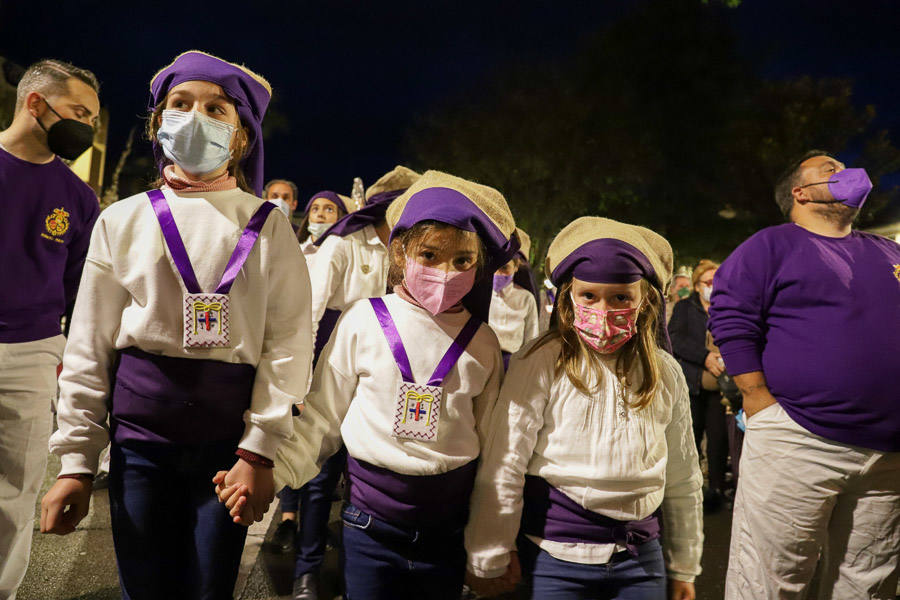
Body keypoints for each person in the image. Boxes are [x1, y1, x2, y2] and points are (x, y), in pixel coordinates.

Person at [39, 51, 317, 600]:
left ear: (240, 136)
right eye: (179, 104)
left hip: (227, 448)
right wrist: (76, 459)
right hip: (141, 443)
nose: (195, 118)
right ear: (158, 122)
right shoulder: (123, 219)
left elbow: (286, 344)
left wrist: (259, 450)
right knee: (144, 582)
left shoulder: (269, 228)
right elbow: (90, 344)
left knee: (210, 585)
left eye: (217, 109)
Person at [268, 170, 519, 600]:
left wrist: (489, 542)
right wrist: (271, 473)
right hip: (369, 526)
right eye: (430, 255)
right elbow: (322, 418)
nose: (445, 272)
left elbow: (493, 445)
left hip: (446, 529)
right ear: (400, 252)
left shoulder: (483, 342)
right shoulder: (363, 320)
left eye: (462, 261)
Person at [465, 216, 703, 600]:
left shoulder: (665, 371)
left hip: (641, 560)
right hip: (555, 558)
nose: (603, 310)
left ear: (644, 303)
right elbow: (504, 462)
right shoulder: (540, 361)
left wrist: (683, 565)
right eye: (589, 296)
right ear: (568, 298)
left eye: (620, 298)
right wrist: (492, 549)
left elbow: (683, 474)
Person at [708, 150, 900, 599]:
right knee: (770, 582)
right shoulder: (770, 245)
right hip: (800, 437)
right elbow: (732, 316)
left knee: (868, 584)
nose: (848, 174)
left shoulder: (888, 251)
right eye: (830, 169)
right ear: (800, 192)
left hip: (888, 452)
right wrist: (756, 398)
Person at [281, 166, 420, 600]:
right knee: (320, 476)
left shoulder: (411, 252)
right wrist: (301, 384)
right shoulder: (344, 242)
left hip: (386, 366)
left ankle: (355, 573)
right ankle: (307, 571)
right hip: (334, 355)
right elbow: (310, 310)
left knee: (362, 472)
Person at [0, 58, 100, 600]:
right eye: (79, 113)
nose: (86, 127)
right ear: (35, 103)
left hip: (31, 353)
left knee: (15, 493)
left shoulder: (79, 197)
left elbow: (76, 284)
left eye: (93, 119)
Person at [668, 259, 729, 511]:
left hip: (720, 385)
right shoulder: (685, 308)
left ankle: (716, 491)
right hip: (692, 383)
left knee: (718, 440)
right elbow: (675, 340)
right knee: (690, 438)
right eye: (708, 283)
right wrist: (704, 357)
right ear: (697, 286)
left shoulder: (727, 307)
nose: (712, 287)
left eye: (717, 282)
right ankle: (689, 490)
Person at [489, 227, 539, 370]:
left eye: (504, 268)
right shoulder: (482, 294)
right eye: (495, 266)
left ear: (516, 267)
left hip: (512, 363)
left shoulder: (526, 298)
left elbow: (531, 337)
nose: (498, 273)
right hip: (483, 359)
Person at [296, 190, 350, 267]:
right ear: (308, 218)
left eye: (329, 209)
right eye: (315, 209)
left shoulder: (347, 251)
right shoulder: (295, 252)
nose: (320, 214)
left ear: (340, 217)